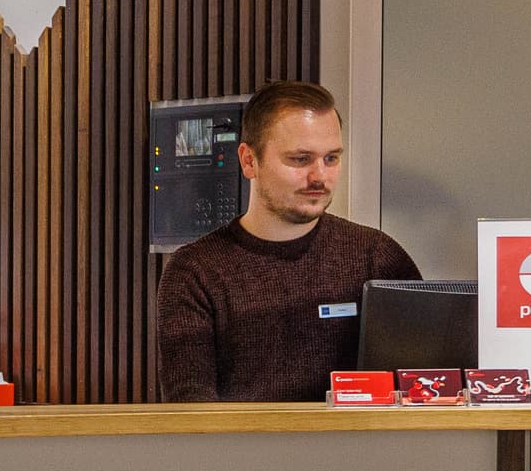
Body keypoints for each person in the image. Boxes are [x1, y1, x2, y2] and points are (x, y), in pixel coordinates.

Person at [154, 78, 422, 402]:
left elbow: (423, 390)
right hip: (244, 451)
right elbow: (191, 412)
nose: (319, 177)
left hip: (360, 451)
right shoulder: (195, 273)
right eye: (300, 159)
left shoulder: (378, 258)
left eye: (331, 158)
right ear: (249, 161)